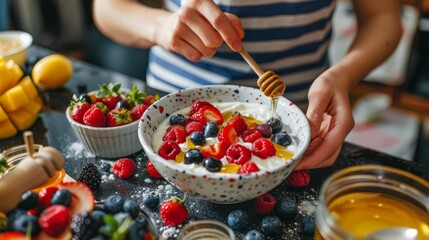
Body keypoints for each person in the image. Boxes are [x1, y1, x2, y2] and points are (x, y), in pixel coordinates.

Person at [92, 0, 402, 169]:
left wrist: (342, 76)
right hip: (172, 114)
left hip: (297, 118)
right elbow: (106, 8)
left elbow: (382, 16)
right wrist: (160, 26)